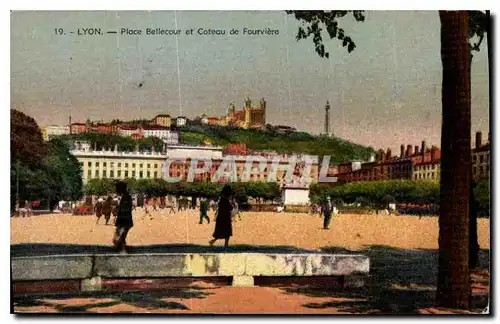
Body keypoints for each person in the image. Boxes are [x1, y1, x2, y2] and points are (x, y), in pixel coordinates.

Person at [113, 181, 133, 253]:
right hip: (124, 219)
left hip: (124, 220)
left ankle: (122, 251)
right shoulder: (125, 196)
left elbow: (127, 208)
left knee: (119, 237)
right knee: (120, 237)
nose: (116, 190)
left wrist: (118, 209)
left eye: (117, 188)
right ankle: (122, 249)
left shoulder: (126, 197)